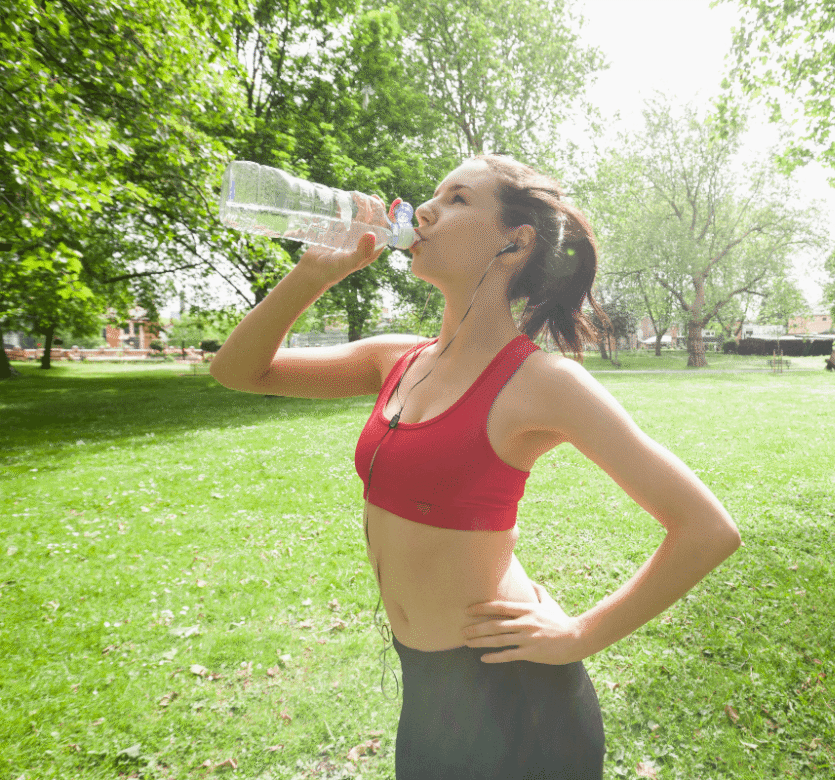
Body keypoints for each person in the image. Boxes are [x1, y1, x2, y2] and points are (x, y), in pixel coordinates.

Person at [210, 155, 742, 780]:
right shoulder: (395, 359)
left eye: (459, 199)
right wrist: (310, 276)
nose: (425, 210)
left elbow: (707, 529)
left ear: (515, 244)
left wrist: (579, 635)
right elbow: (239, 371)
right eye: (433, 195)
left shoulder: (542, 382)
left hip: (513, 696)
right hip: (430, 687)